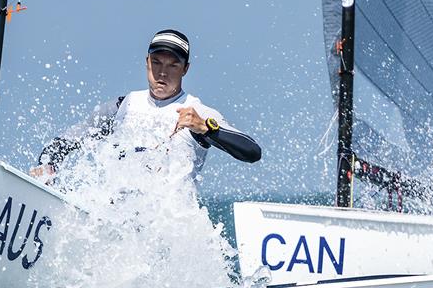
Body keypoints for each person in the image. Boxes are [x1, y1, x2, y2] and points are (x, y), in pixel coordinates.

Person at [30, 28, 261, 181]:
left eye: (173, 65)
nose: (162, 72)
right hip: (116, 221)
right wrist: (47, 166)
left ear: (185, 69)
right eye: (156, 62)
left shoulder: (197, 112)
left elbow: (252, 152)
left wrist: (208, 129)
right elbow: (68, 140)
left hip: (167, 229)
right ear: (146, 63)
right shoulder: (123, 106)